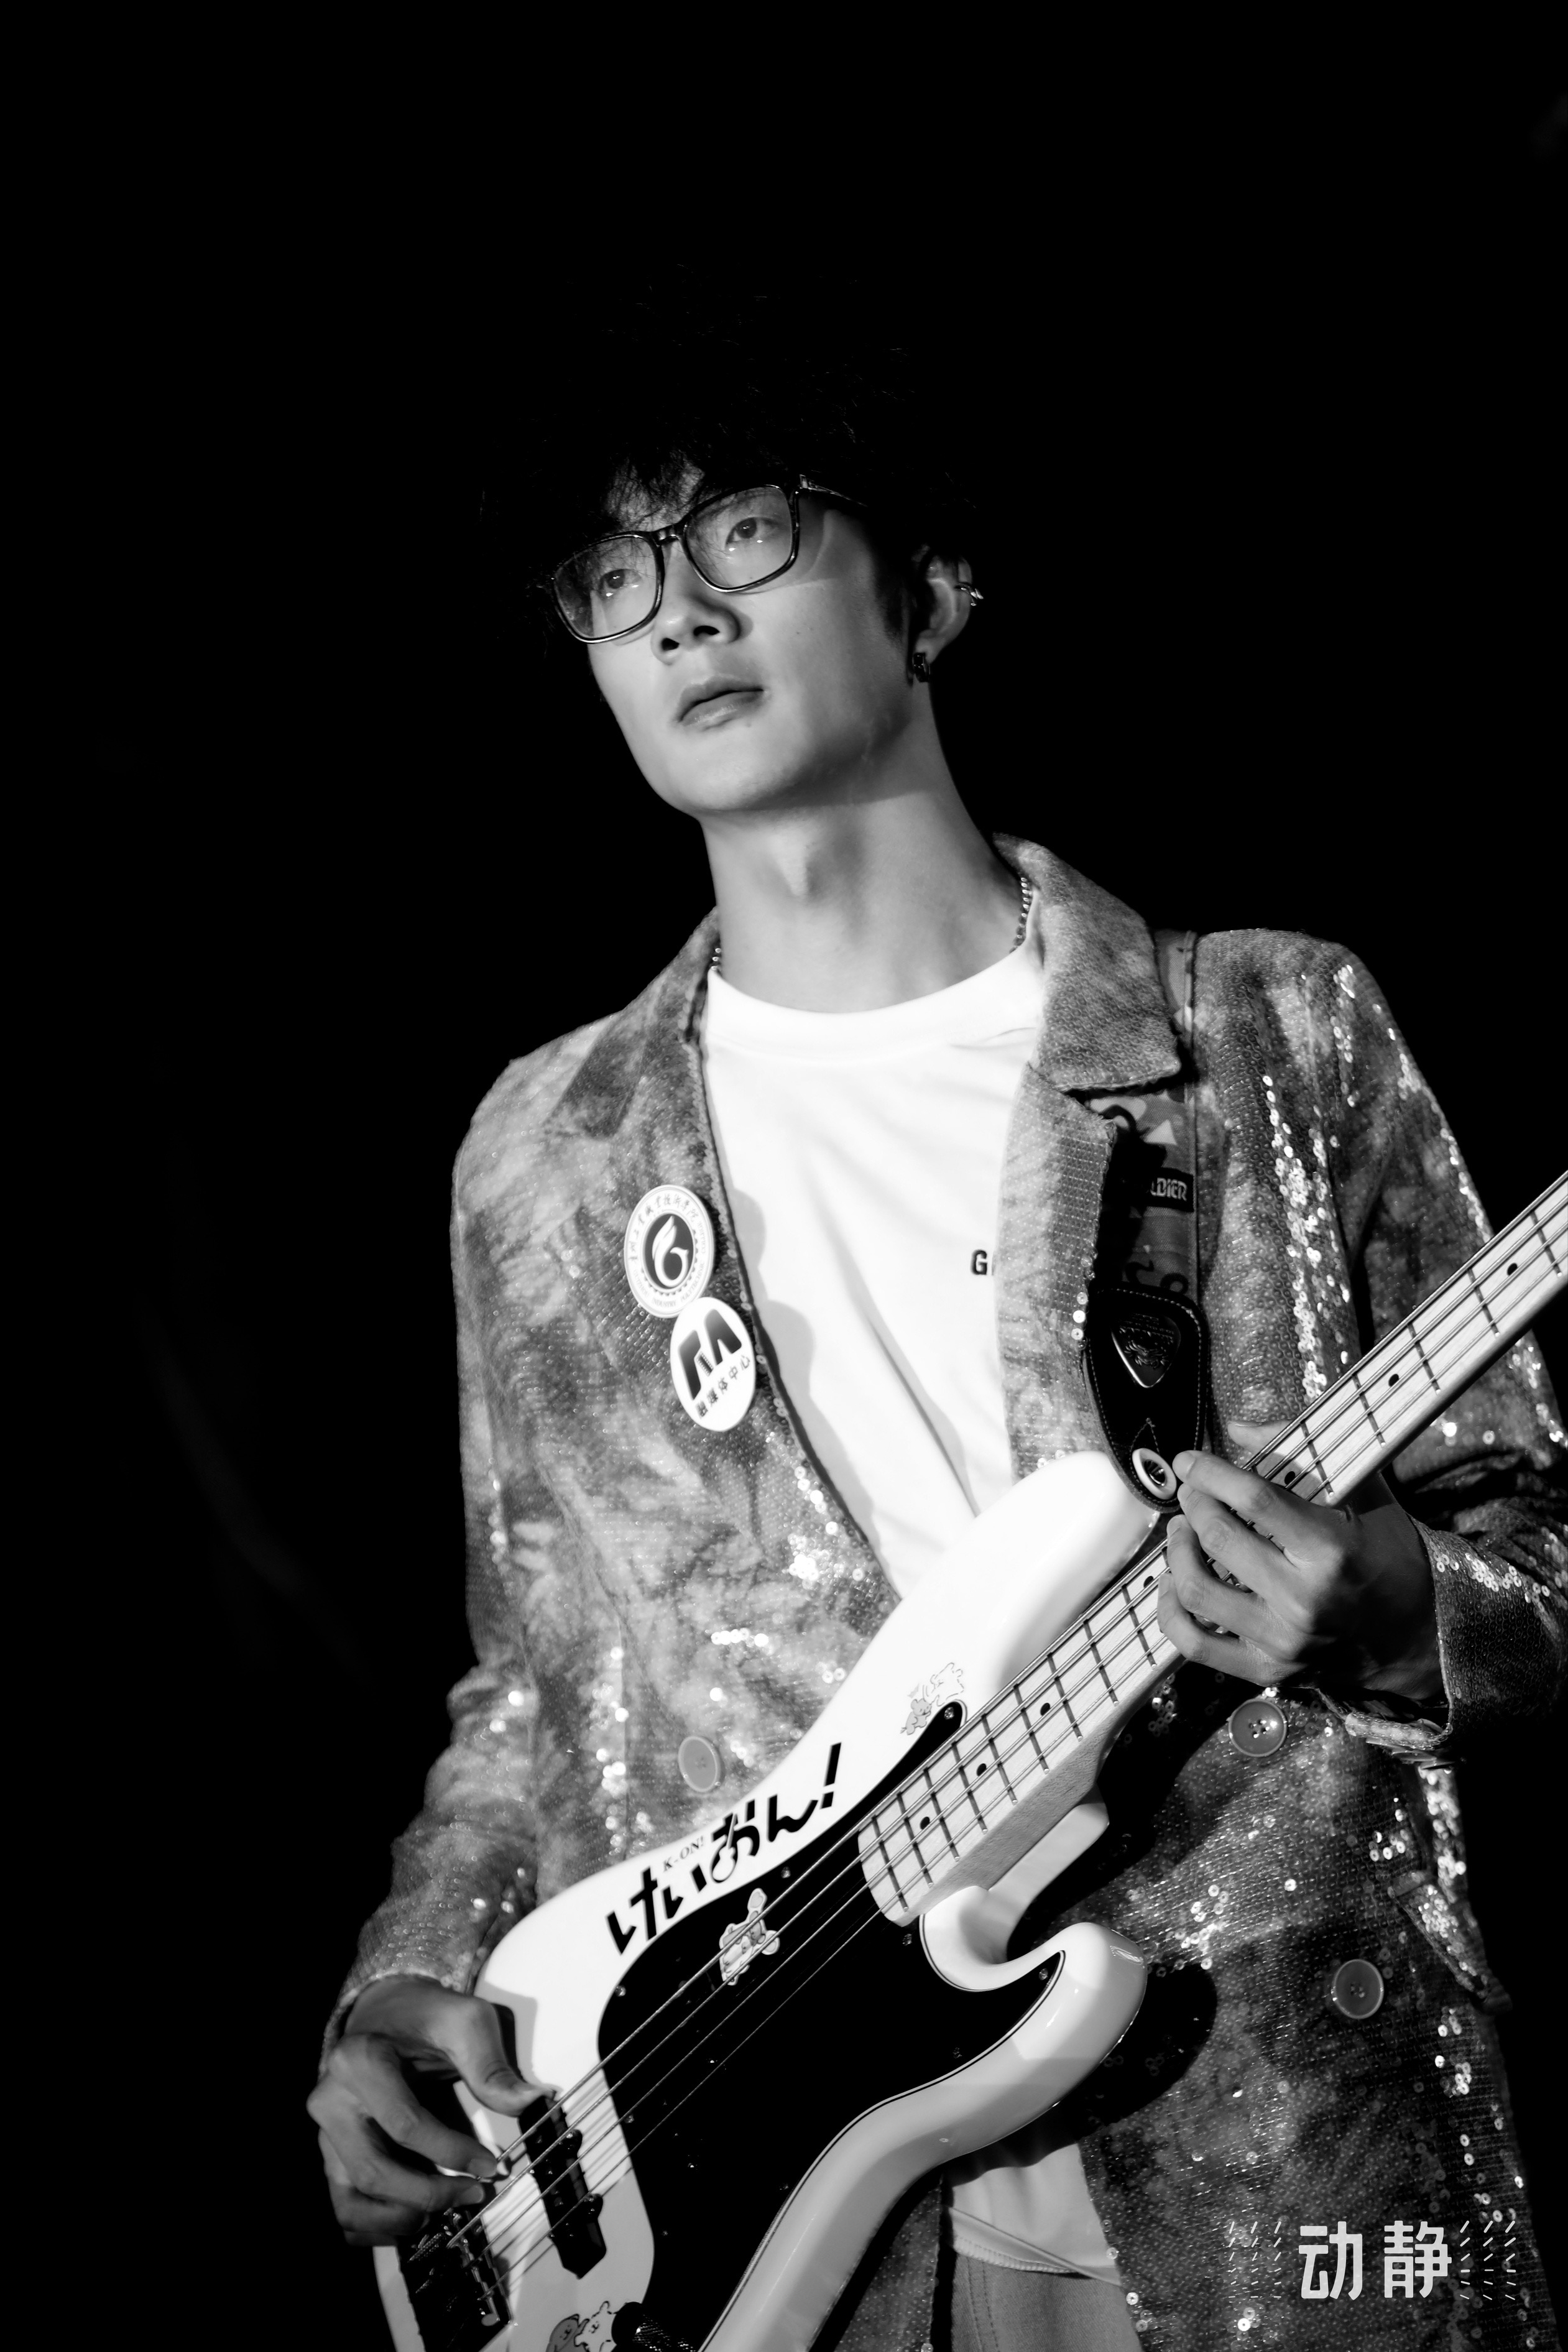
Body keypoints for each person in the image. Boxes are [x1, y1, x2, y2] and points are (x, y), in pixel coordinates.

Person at [308, 368, 1566, 2348]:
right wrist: (413, 1970)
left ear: (934, 590)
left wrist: (1393, 1606)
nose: (678, 612)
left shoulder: (1267, 1030)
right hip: (774, 2215)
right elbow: (534, 1687)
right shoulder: (544, 1153)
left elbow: (1527, 1539)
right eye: (613, 575)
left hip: (1272, 2146)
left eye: (743, 531)